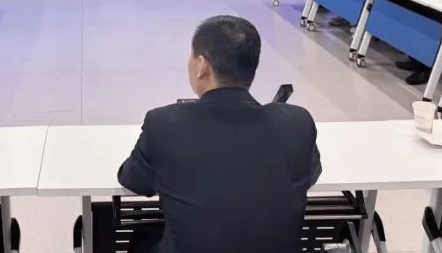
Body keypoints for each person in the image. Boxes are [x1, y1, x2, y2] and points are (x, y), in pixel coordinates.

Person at [118, 15, 321, 253]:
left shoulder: (163, 124)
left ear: (202, 66)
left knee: (142, 237)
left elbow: (133, 180)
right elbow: (310, 175)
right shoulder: (297, 123)